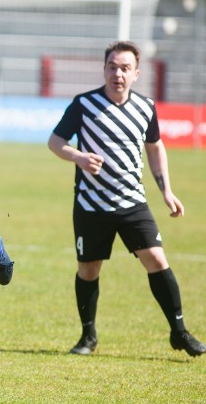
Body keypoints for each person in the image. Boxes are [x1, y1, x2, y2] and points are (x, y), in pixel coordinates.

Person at [47, 40, 205, 357]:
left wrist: (166, 191)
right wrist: (77, 156)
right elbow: (55, 141)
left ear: (136, 74)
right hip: (91, 205)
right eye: (111, 66)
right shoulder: (84, 104)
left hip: (133, 203)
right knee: (89, 270)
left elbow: (155, 147)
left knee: (157, 260)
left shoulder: (146, 107)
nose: (117, 73)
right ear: (104, 69)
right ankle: (88, 337)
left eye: (124, 68)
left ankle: (179, 332)